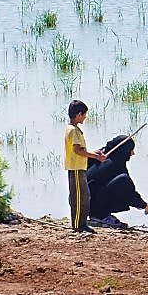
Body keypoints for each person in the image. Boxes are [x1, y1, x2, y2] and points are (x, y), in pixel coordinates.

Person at [87, 134, 148, 229]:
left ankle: (100, 213)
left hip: (83, 204)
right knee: (124, 180)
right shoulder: (116, 164)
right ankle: (100, 215)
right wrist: (145, 205)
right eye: (131, 150)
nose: (132, 153)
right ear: (124, 150)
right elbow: (129, 191)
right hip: (91, 205)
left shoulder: (98, 157)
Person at [64, 100, 105, 233]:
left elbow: (81, 149)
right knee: (78, 197)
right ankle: (78, 225)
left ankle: (82, 223)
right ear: (78, 114)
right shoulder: (73, 131)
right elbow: (77, 150)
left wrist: (94, 153)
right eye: (84, 114)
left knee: (85, 196)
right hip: (75, 168)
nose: (85, 117)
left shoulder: (74, 129)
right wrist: (95, 157)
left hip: (80, 168)